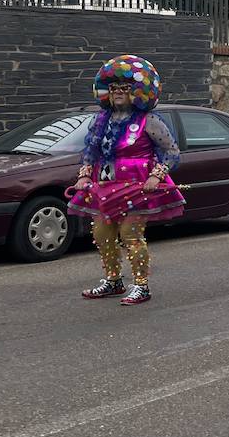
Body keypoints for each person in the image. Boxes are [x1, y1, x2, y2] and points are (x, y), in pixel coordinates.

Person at [71, 55, 186, 305]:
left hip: (136, 188)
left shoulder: (149, 121)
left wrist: (157, 176)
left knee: (130, 235)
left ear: (137, 92)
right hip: (104, 187)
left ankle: (141, 285)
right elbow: (91, 151)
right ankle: (113, 280)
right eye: (114, 89)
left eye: (124, 88)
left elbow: (171, 151)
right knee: (102, 233)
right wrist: (83, 175)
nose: (118, 93)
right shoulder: (101, 121)